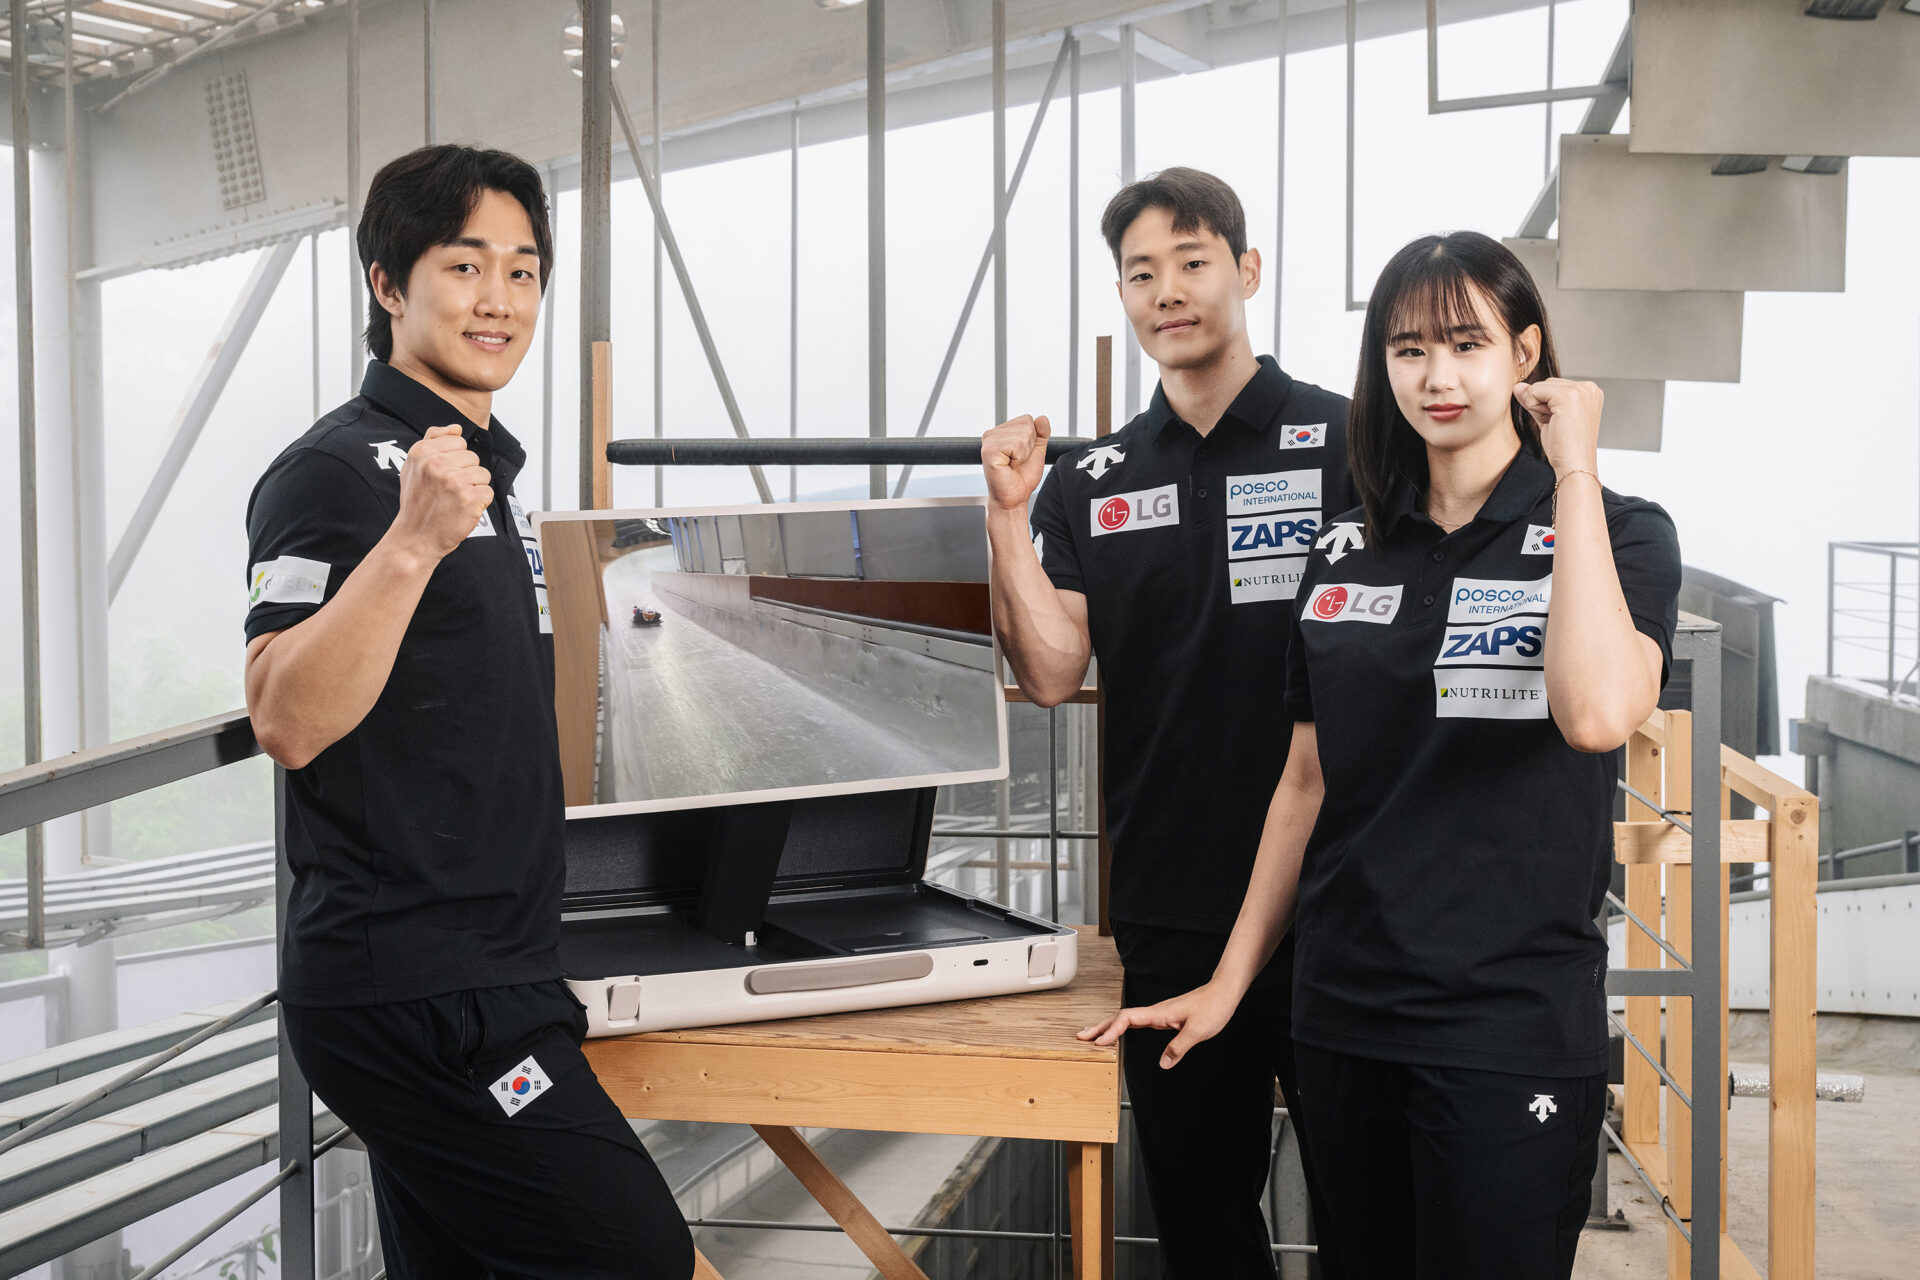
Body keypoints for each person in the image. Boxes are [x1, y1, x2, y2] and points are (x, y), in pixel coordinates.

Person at [1085, 230, 1682, 1279]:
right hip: (1345, 1014)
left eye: (1467, 344)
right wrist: (1230, 981)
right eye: (1409, 350)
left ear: (1526, 353)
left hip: (1506, 1025)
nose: (1438, 376)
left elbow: (1596, 713)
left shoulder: (1618, 533)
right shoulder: (1344, 546)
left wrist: (1575, 468)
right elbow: (1305, 781)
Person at [242, 144, 693, 1280]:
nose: (499, 299)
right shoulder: (333, 472)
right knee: (639, 1256)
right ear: (388, 284)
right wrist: (410, 541)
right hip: (419, 992)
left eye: (523, 271)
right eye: (464, 265)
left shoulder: (490, 481)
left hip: (499, 966)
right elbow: (283, 714)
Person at [986, 167, 1351, 1277]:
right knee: (1202, 1226)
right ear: (1122, 296)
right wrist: (1006, 518)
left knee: (1376, 1221)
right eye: (1141, 273)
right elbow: (1052, 672)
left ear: (1248, 270)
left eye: (1193, 262)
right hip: (1172, 902)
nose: (1168, 291)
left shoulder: (1351, 442)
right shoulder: (1090, 481)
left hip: (1345, 900)